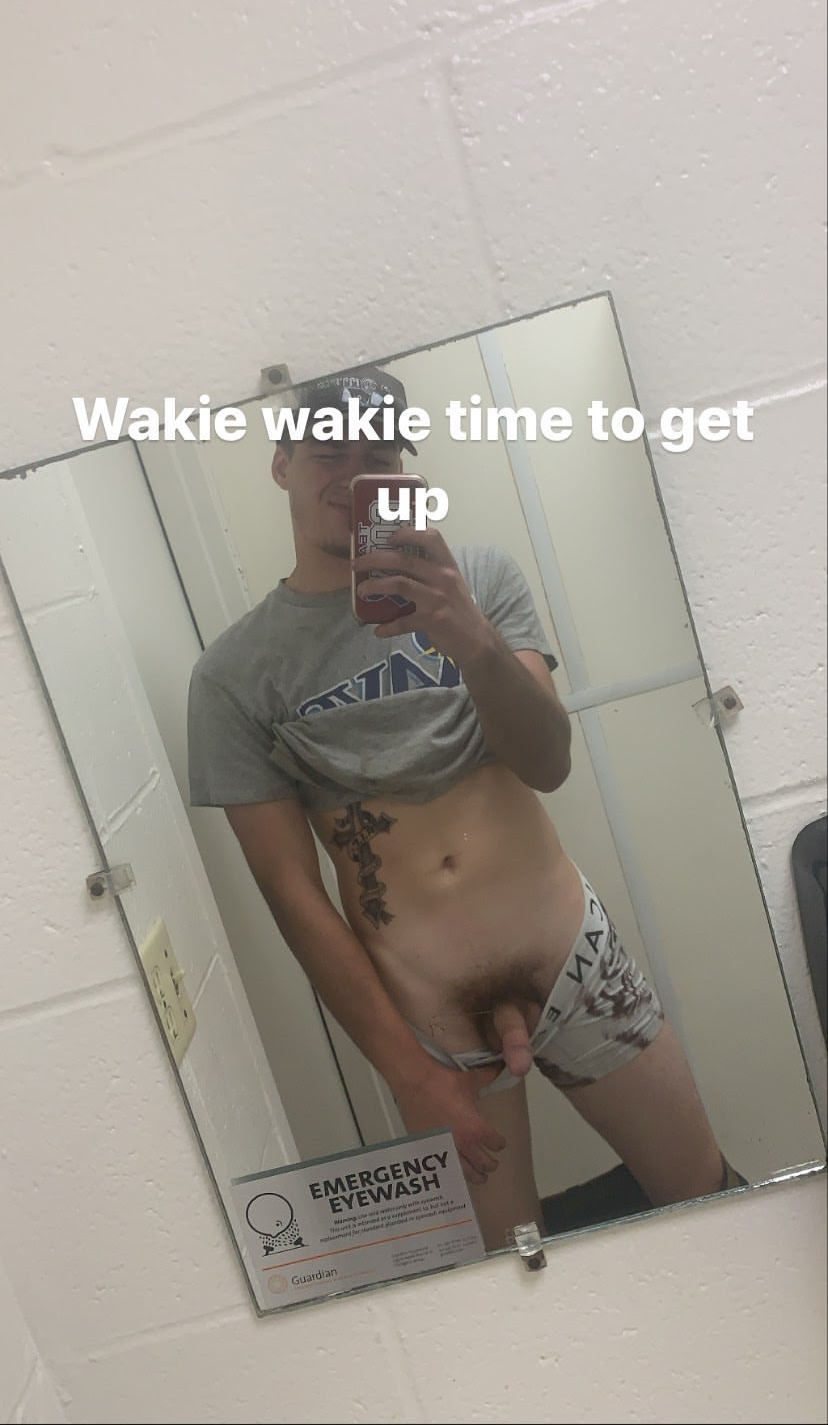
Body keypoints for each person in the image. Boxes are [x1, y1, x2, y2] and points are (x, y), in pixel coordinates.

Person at [187, 365, 742, 1252]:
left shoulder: (477, 578)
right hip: (429, 1015)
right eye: (330, 453)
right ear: (282, 463)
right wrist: (409, 1074)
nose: (353, 474)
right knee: (508, 1267)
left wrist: (470, 637)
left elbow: (549, 763)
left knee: (709, 1197)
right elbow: (291, 892)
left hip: (572, 957)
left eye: (378, 456)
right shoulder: (232, 675)